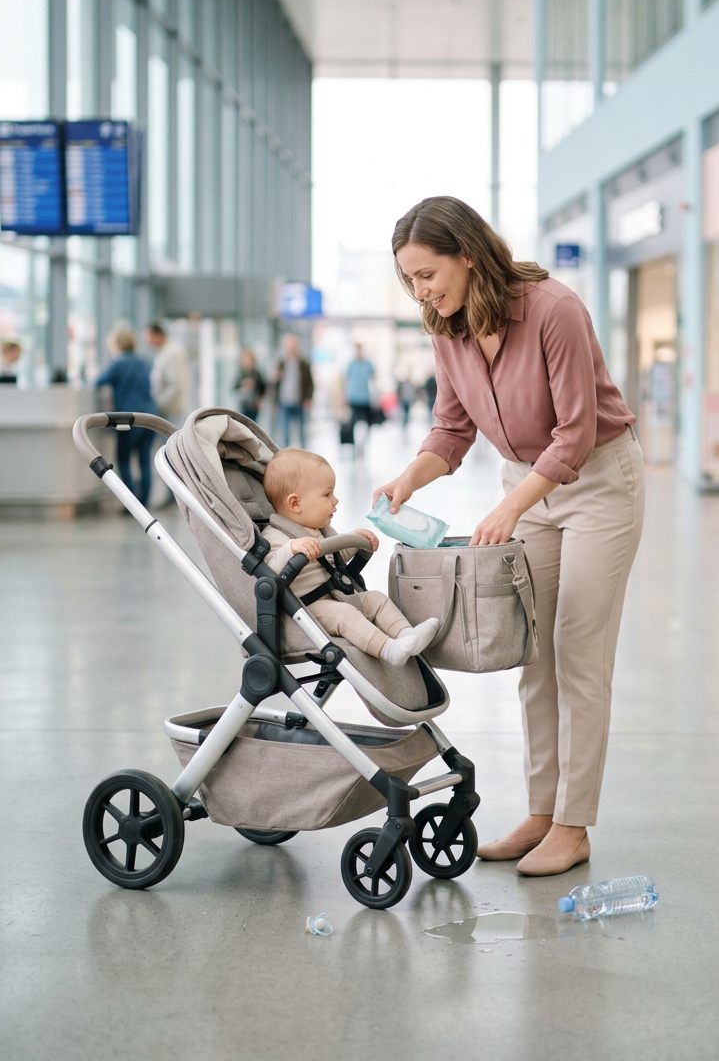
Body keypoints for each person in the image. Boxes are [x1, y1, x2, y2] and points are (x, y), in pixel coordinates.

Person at [375, 195, 645, 877]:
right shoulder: (446, 327)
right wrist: (410, 479)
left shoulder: (554, 309)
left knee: (579, 651)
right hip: (527, 485)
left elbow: (576, 434)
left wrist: (511, 506)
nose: (420, 290)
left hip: (596, 482)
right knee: (535, 654)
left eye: (427, 274)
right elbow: (452, 429)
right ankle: (541, 812)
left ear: (468, 255)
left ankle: (574, 826)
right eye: (409, 279)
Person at [262, 448, 439, 667]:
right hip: (309, 608)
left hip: (335, 595)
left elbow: (332, 560)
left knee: (375, 599)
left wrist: (354, 542)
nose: (335, 500)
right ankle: (388, 649)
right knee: (345, 614)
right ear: (295, 504)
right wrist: (291, 549)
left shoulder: (317, 530)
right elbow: (270, 572)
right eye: (327, 495)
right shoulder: (276, 536)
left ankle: (407, 634)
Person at [95, 327, 158, 509]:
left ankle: (132, 504)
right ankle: (144, 502)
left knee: (124, 459)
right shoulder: (143, 362)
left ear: (116, 344)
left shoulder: (118, 363)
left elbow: (98, 382)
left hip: (128, 418)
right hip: (149, 416)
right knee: (145, 460)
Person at [271, 334, 315, 447]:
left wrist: (308, 398)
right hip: (283, 402)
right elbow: (275, 384)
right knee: (284, 433)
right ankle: (286, 454)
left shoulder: (303, 363)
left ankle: (303, 453)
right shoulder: (281, 363)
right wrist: (275, 401)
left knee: (302, 432)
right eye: (288, 345)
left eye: (293, 345)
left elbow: (310, 383)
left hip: (299, 402)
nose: (290, 348)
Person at [146, 321, 190, 426]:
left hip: (171, 410)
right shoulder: (162, 352)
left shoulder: (172, 353)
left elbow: (175, 385)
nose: (147, 341)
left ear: (158, 335)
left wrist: (158, 403)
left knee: (173, 435)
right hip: (165, 410)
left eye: (149, 337)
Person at [344, 342, 376, 443]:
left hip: (365, 398)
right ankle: (354, 442)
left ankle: (365, 441)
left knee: (367, 422)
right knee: (354, 422)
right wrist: (344, 396)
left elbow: (373, 379)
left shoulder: (368, 364)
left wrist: (376, 396)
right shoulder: (350, 364)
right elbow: (346, 381)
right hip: (353, 397)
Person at [234, 348, 266, 422]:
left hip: (254, 404)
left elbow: (263, 387)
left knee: (253, 424)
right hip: (243, 404)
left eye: (249, 359)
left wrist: (260, 400)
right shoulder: (241, 373)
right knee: (242, 423)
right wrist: (243, 384)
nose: (247, 361)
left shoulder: (256, 373)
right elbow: (234, 387)